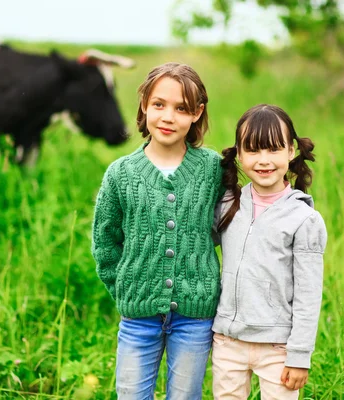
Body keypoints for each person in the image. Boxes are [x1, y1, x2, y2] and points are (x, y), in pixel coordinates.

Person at [91, 62, 224, 400]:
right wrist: (124, 287)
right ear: (144, 106)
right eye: (159, 105)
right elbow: (105, 241)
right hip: (138, 318)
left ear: (197, 113)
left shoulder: (212, 169)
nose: (168, 117)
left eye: (182, 108)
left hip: (194, 316)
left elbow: (227, 226)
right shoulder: (121, 173)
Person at [212, 104, 328, 399]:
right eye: (252, 150)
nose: (264, 161)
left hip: (278, 347)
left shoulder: (303, 219)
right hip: (229, 340)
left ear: (291, 151)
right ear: (239, 155)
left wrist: (299, 355)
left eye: (273, 150)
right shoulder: (227, 205)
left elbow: (308, 294)